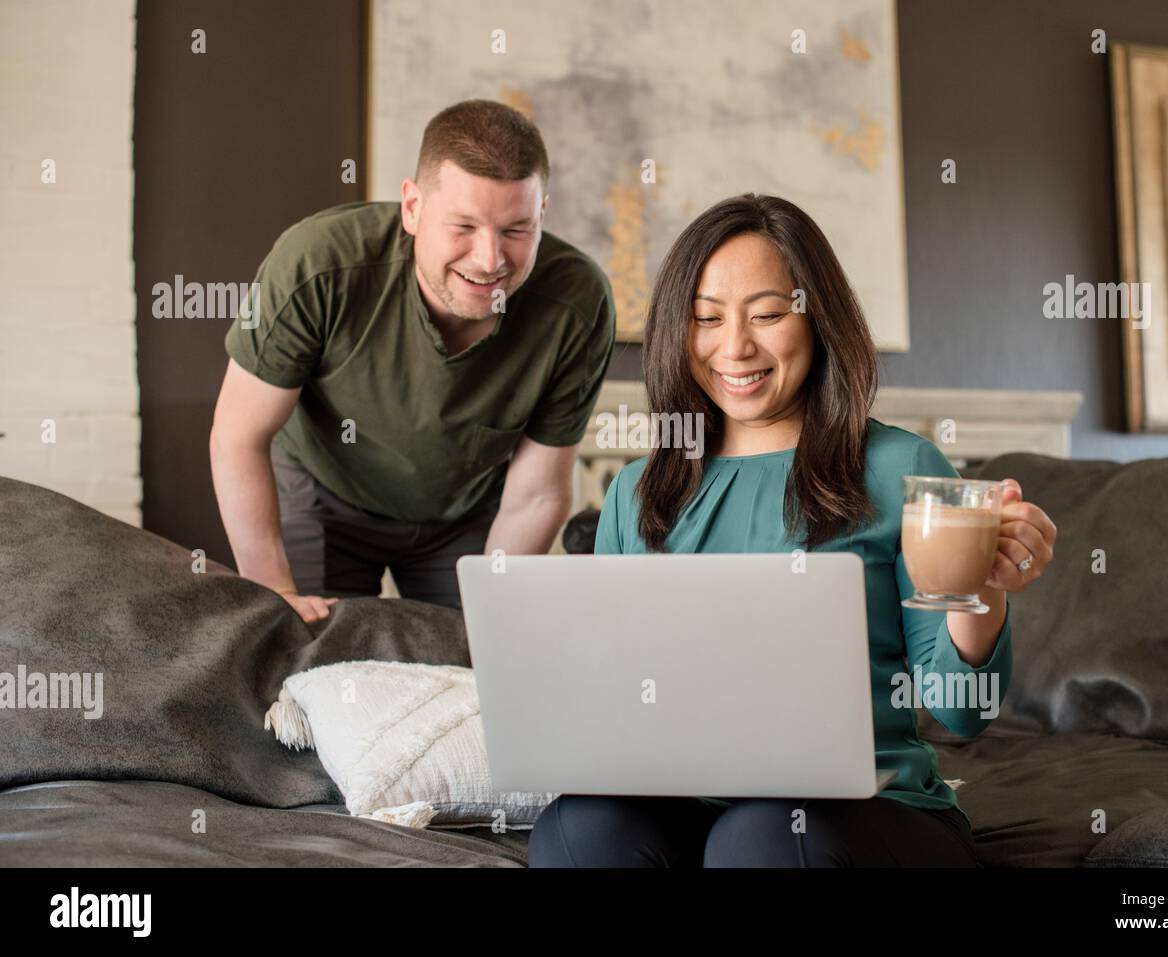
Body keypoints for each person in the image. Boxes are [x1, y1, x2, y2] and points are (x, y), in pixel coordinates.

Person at [528, 193, 1057, 867]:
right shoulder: (636, 493)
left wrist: (984, 586)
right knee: (578, 826)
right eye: (706, 319)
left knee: (764, 834)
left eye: (768, 315)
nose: (735, 347)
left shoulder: (901, 467)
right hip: (690, 811)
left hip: (867, 815)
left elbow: (962, 711)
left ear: (816, 319)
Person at [210, 100, 616, 621]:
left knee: (474, 662)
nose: (489, 260)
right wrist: (276, 593)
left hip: (465, 514)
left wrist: (492, 624)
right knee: (310, 661)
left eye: (515, 230)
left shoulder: (578, 303)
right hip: (323, 496)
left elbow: (537, 494)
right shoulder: (316, 263)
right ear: (412, 207)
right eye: (463, 226)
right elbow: (237, 435)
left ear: (541, 214)